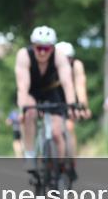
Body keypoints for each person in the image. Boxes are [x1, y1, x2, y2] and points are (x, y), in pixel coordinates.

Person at [15, 25, 77, 179]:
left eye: (47, 49)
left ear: (52, 48)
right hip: (31, 90)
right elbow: (23, 86)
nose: (42, 52)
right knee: (29, 114)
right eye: (39, 48)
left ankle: (59, 166)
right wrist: (23, 108)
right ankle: (29, 155)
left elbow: (67, 83)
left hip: (50, 91)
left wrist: (71, 105)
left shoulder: (59, 56)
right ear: (33, 46)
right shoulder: (24, 55)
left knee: (57, 131)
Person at [56, 41, 91, 169]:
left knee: (69, 127)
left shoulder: (76, 65)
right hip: (53, 95)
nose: (66, 62)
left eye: (69, 58)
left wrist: (83, 106)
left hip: (68, 98)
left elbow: (80, 86)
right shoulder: (50, 65)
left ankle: (71, 160)